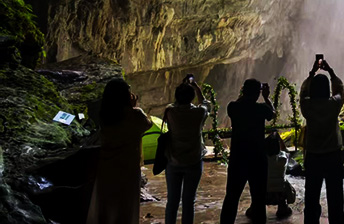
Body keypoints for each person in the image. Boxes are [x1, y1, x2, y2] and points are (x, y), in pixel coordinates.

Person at [87, 78, 152, 224]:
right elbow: (147, 124)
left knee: (105, 208)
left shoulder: (104, 116)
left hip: (106, 169)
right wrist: (134, 107)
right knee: (125, 210)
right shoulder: (136, 115)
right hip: (127, 171)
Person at [219, 78, 275, 224]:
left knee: (231, 197)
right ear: (258, 93)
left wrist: (244, 93)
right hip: (258, 159)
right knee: (258, 199)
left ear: (243, 91)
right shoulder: (261, 108)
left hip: (238, 158)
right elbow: (272, 113)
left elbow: (238, 103)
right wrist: (267, 97)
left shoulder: (233, 107)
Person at [300, 57, 344, 224]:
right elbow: (340, 92)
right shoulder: (333, 105)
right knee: (335, 196)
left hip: (313, 155)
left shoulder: (308, 106)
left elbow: (303, 93)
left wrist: (312, 73)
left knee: (311, 196)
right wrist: (331, 73)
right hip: (333, 155)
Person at [163, 75, 210, 224]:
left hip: (173, 161)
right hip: (193, 161)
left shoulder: (170, 112)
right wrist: (196, 87)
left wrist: (183, 89)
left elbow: (173, 104)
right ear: (191, 97)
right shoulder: (198, 113)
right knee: (189, 201)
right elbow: (205, 103)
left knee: (172, 201)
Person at [265, 132, 294, 219]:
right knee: (285, 184)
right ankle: (283, 208)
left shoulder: (261, 159)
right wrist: (279, 138)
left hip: (264, 193)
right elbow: (285, 149)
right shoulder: (283, 158)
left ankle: (254, 208)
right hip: (280, 193)